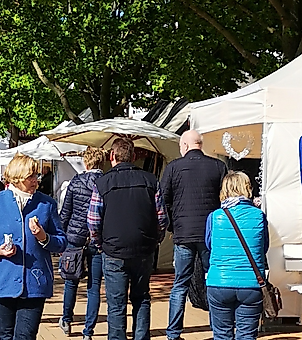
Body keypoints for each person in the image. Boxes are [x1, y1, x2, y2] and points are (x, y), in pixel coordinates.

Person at [0, 153, 67, 340]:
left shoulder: (46, 204)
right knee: (5, 335)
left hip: (34, 283)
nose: (35, 181)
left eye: (36, 176)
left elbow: (62, 242)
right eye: (30, 177)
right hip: (2, 280)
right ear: (16, 177)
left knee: (25, 336)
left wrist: (43, 237)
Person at [87, 138, 167, 340]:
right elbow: (162, 218)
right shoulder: (151, 181)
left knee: (116, 304)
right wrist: (155, 240)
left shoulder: (102, 183)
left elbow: (93, 221)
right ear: (133, 157)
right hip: (143, 249)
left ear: (112, 157)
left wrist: (99, 244)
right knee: (141, 299)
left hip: (113, 251)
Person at [161, 129, 229, 340]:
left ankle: (173, 333)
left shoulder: (173, 168)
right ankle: (218, 331)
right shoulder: (218, 166)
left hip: (183, 234)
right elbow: (225, 199)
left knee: (180, 284)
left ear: (185, 146)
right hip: (211, 234)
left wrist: (173, 226)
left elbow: (163, 200)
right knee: (214, 281)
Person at [205, 171, 268, 340]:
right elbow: (265, 247)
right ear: (247, 188)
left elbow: (209, 245)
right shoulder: (259, 216)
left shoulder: (215, 217)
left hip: (219, 282)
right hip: (251, 284)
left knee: (222, 335)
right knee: (247, 335)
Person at [59, 147, 107, 339]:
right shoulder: (105, 183)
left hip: (74, 238)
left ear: (86, 163)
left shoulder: (75, 182)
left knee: (71, 282)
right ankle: (88, 330)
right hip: (97, 239)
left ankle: (67, 320)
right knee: (94, 286)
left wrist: (61, 237)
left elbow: (66, 212)